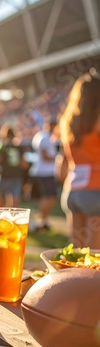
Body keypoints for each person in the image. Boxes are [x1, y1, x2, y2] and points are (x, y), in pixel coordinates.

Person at [59, 71, 100, 248]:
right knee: (95, 255)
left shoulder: (68, 122)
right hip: (95, 190)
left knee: (76, 251)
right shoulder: (97, 121)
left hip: (72, 191)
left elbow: (62, 166)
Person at [0, 125, 27, 207]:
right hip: (15, 177)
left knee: (0, 204)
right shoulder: (18, 147)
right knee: (14, 205)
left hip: (3, 177)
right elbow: (24, 164)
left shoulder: (1, 146)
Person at [28, 117, 58, 230]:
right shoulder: (45, 137)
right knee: (50, 197)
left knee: (47, 197)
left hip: (43, 172)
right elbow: (45, 156)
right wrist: (59, 158)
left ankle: (42, 220)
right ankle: (41, 220)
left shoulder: (43, 136)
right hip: (45, 172)